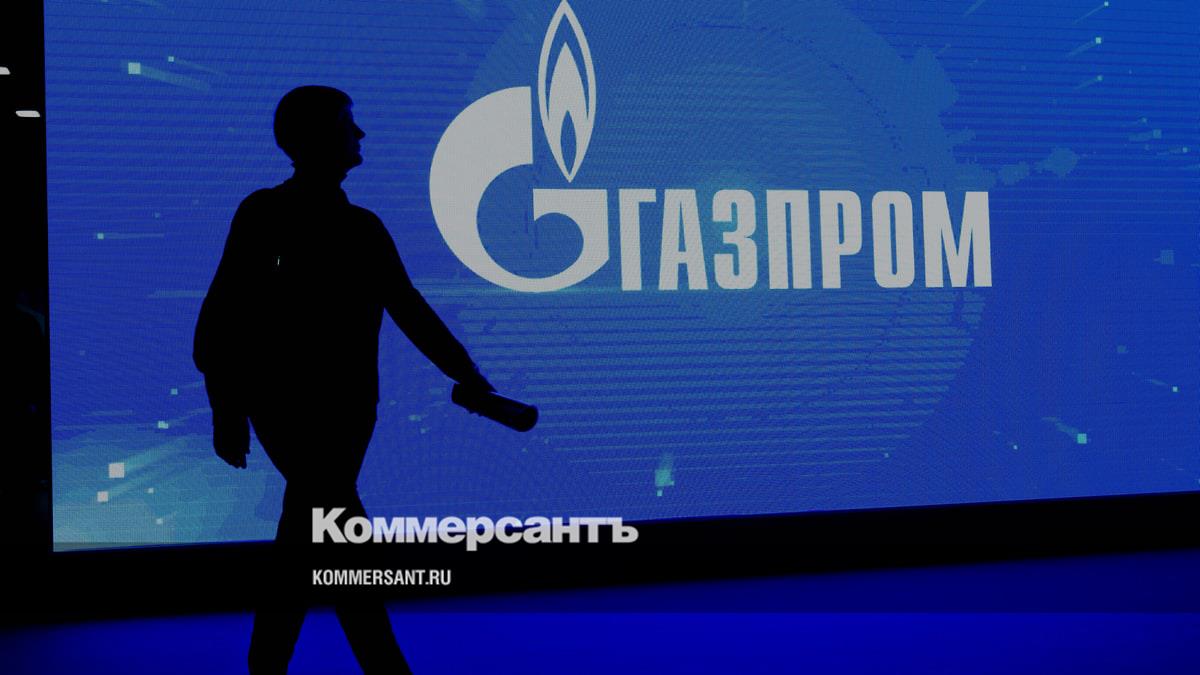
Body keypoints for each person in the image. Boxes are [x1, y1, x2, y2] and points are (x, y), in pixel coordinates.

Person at [193, 85, 493, 674]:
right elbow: (222, 316)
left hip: (339, 412)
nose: (359, 134)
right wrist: (224, 407)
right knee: (338, 534)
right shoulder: (279, 216)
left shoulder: (353, 226)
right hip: (305, 409)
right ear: (313, 138)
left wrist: (467, 373)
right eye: (346, 124)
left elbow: (409, 309)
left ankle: (275, 667)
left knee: (308, 536)